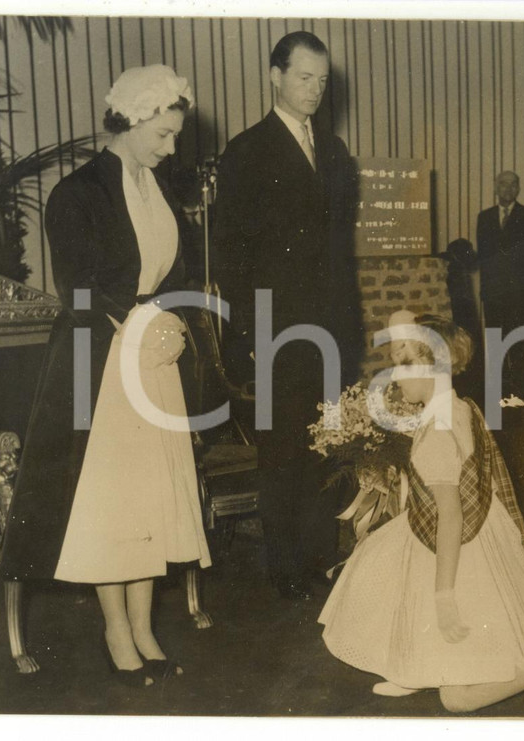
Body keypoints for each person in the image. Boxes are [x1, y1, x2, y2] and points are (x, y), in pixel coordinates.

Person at [0, 65, 210, 685]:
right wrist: (147, 327)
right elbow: (80, 290)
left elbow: (176, 271)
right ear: (136, 120)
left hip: (154, 359)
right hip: (103, 363)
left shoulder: (157, 187)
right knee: (115, 506)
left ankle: (145, 627)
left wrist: (174, 322)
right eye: (165, 135)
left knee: (150, 501)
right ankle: (116, 630)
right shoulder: (78, 193)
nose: (172, 148)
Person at [319, 313, 524, 714]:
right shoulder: (459, 407)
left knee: (457, 698)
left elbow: (451, 518)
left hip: (462, 543)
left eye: (403, 365)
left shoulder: (439, 432)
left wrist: (445, 595)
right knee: (394, 573)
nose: (394, 378)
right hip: (483, 526)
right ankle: (416, 668)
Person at [213, 31, 361, 600]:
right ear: (275, 76)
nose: (316, 90)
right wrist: (253, 332)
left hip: (333, 329)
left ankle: (321, 559)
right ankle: (285, 570)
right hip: (279, 331)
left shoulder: (336, 151)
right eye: (305, 78)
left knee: (328, 445)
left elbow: (339, 249)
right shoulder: (246, 151)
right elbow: (232, 253)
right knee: (282, 454)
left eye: (323, 81)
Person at [476, 171, 524, 399]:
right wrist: (485, 291)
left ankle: (522, 394)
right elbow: (485, 258)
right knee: (495, 345)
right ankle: (497, 395)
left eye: (513, 185)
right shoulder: (484, 218)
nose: (508, 189)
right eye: (503, 184)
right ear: (496, 188)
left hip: (520, 296)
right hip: (494, 296)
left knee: (520, 345)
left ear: (518, 189)